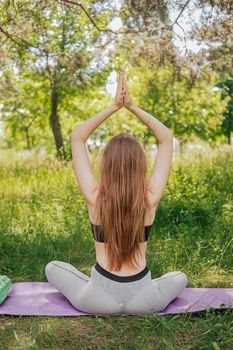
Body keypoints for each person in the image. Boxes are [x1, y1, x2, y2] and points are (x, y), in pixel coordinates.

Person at [45, 72, 188, 316]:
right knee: (179, 277)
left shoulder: (95, 196)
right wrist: (132, 107)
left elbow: (78, 137)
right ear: (140, 165)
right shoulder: (149, 197)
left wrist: (114, 107)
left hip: (98, 298)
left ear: (107, 165)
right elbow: (166, 139)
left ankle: (89, 284)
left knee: (53, 267)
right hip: (144, 299)